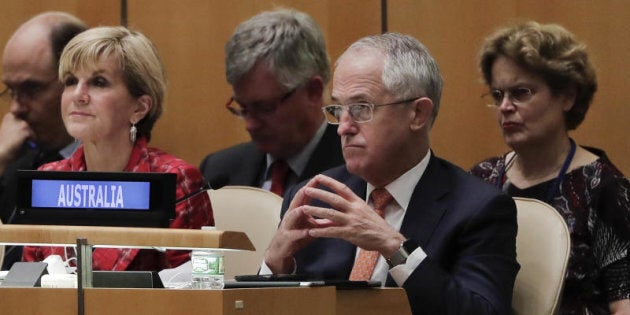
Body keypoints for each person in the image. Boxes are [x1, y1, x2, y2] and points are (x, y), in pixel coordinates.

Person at [262, 33, 519, 314]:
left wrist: (394, 246)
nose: (342, 128)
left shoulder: (478, 209)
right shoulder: (317, 198)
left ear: (418, 113)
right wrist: (274, 266)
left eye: (361, 108)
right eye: (338, 109)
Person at [22, 26, 214, 271]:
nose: (78, 95)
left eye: (99, 82)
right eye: (71, 81)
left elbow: (196, 291)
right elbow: (28, 286)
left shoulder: (175, 182)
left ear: (139, 108)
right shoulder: (47, 179)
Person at [471, 21, 630, 314]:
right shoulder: (481, 180)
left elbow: (625, 305)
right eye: (497, 95)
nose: (505, 106)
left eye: (520, 93)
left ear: (567, 96)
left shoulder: (604, 188)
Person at [199, 8, 344, 196]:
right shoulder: (219, 170)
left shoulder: (357, 170)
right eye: (242, 108)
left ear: (313, 91)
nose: (249, 125)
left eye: (264, 107)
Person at [0, 12, 87, 270]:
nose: (16, 108)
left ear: (74, 82)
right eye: (12, 91)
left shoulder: (123, 163)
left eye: (32, 89)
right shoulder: (16, 166)